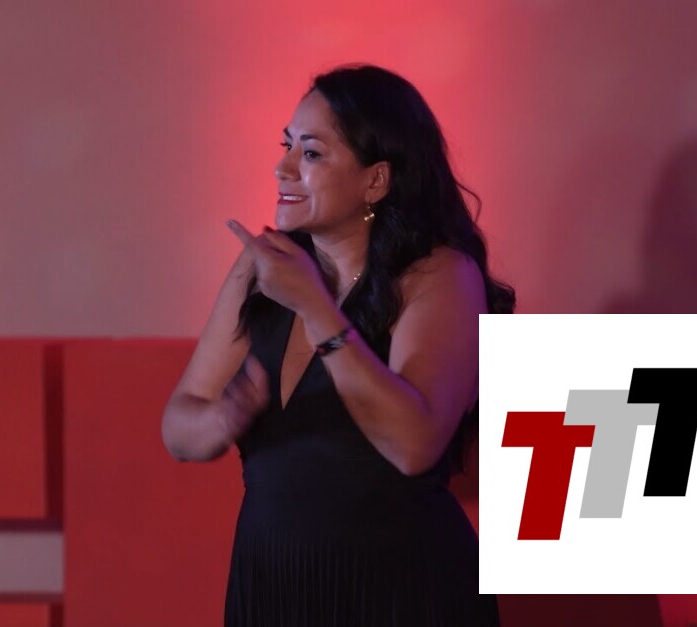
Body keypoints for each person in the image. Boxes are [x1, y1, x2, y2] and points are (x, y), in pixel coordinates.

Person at [161, 64, 513, 626]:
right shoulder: (259, 268)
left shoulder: (440, 275)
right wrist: (222, 418)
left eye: (311, 153)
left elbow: (414, 444)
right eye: (286, 146)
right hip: (273, 587)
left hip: (400, 592)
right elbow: (179, 425)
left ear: (376, 180)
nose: (283, 168)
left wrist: (317, 308)